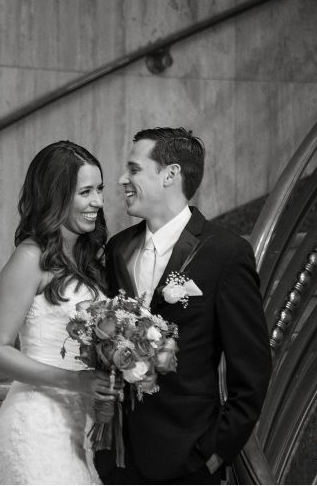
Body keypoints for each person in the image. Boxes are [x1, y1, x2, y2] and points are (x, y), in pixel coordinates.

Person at [94, 127, 271, 484]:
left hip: (188, 458)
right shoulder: (117, 249)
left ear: (170, 174)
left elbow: (251, 372)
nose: (121, 179)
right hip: (118, 460)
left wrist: (212, 455)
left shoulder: (226, 252)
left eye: (133, 169)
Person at [0, 140, 117, 484]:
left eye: (99, 189)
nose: (98, 202)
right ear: (56, 196)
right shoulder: (30, 258)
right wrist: (75, 381)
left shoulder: (91, 260)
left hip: (83, 425)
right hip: (37, 422)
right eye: (85, 192)